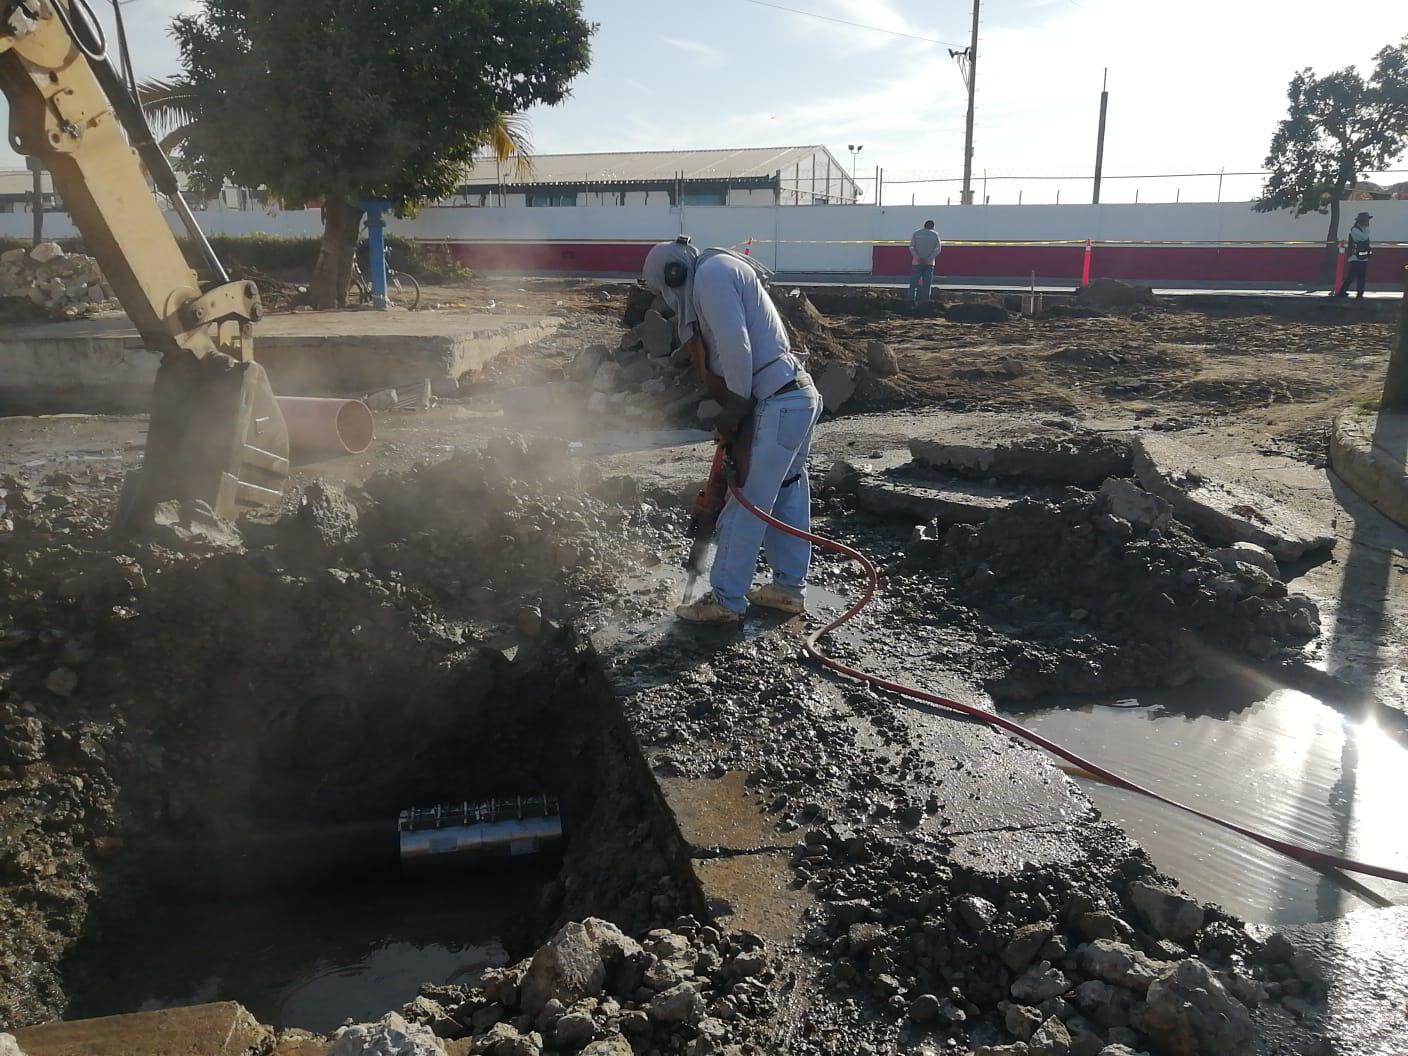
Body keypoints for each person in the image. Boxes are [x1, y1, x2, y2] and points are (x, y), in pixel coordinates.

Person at [641, 236, 822, 625]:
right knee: (787, 493)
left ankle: (725, 598)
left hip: (775, 399)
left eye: (664, 289)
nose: (668, 301)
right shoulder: (719, 270)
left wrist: (737, 408)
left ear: (674, 273)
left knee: (747, 502)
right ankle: (788, 589)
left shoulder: (710, 275)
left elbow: (736, 347)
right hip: (795, 396)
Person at [1335, 212, 1373, 298]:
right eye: (1367, 220)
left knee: (1361, 277)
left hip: (1363, 257)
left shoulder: (1363, 229)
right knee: (1351, 276)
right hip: (1355, 257)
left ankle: (1360, 294)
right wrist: (1367, 230)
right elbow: (1363, 237)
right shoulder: (1355, 230)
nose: (1368, 222)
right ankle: (1342, 292)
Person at [908, 220, 942, 305]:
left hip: (916, 263)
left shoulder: (916, 233)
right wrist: (929, 258)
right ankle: (925, 302)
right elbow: (938, 249)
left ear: (924, 225)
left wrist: (918, 258)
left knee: (913, 282)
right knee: (927, 284)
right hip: (929, 263)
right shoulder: (935, 234)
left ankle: (911, 300)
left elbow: (911, 247)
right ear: (933, 226)